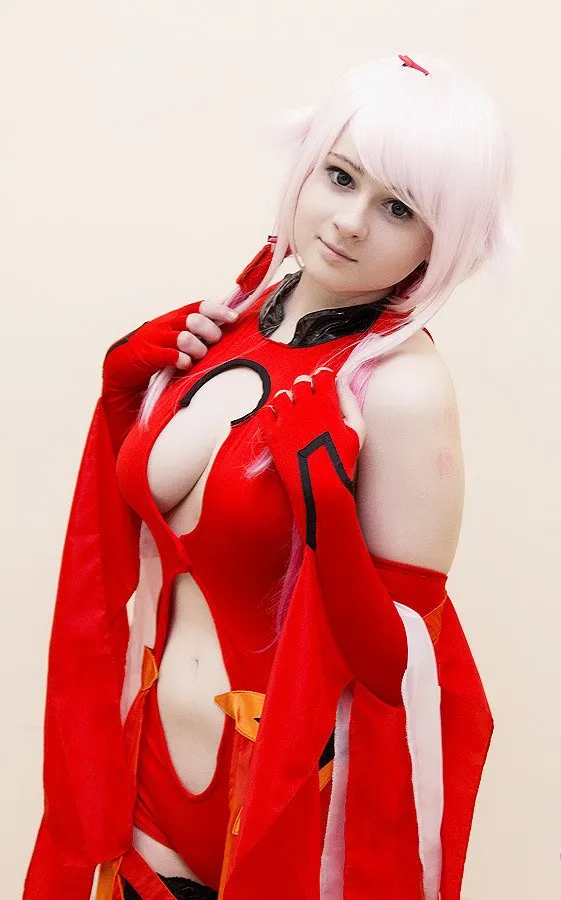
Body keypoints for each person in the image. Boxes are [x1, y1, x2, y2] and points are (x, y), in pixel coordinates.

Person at [24, 53, 514, 900]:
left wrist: (327, 515)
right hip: (145, 772)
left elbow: (400, 670)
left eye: (398, 207)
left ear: (441, 240)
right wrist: (122, 396)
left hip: (285, 806)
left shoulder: (402, 388)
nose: (350, 222)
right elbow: (144, 536)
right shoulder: (242, 313)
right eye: (340, 176)